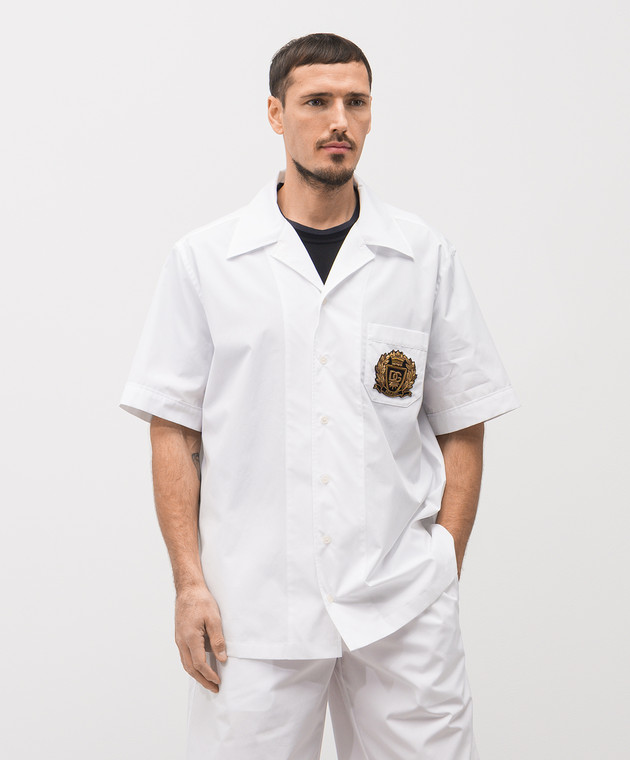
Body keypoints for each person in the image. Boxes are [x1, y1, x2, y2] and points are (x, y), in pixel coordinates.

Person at [120, 32, 519, 760]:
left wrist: (444, 562)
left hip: (403, 606)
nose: (339, 120)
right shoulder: (207, 261)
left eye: (356, 103)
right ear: (276, 114)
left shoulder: (422, 257)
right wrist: (189, 585)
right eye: (317, 102)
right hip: (253, 611)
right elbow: (173, 429)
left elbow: (463, 421)